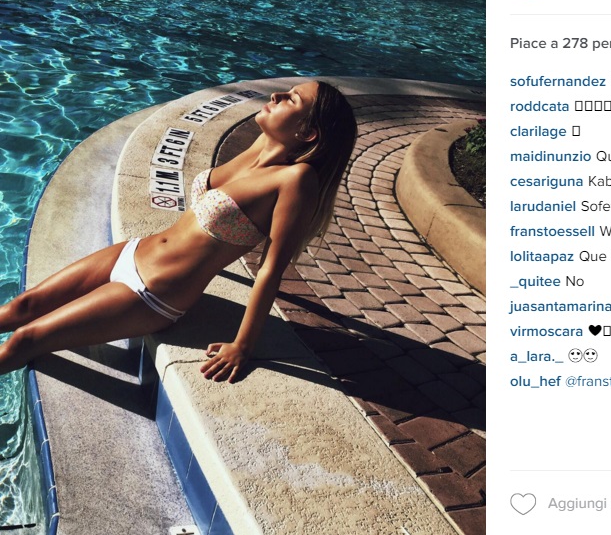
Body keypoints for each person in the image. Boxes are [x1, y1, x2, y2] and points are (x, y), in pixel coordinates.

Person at [0, 81, 357, 383]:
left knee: (26, 340)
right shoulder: (260, 147)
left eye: (291, 99)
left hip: (152, 294)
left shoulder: (296, 181)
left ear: (307, 133)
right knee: (22, 306)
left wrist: (242, 345)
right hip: (134, 251)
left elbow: (271, 269)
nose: (276, 96)